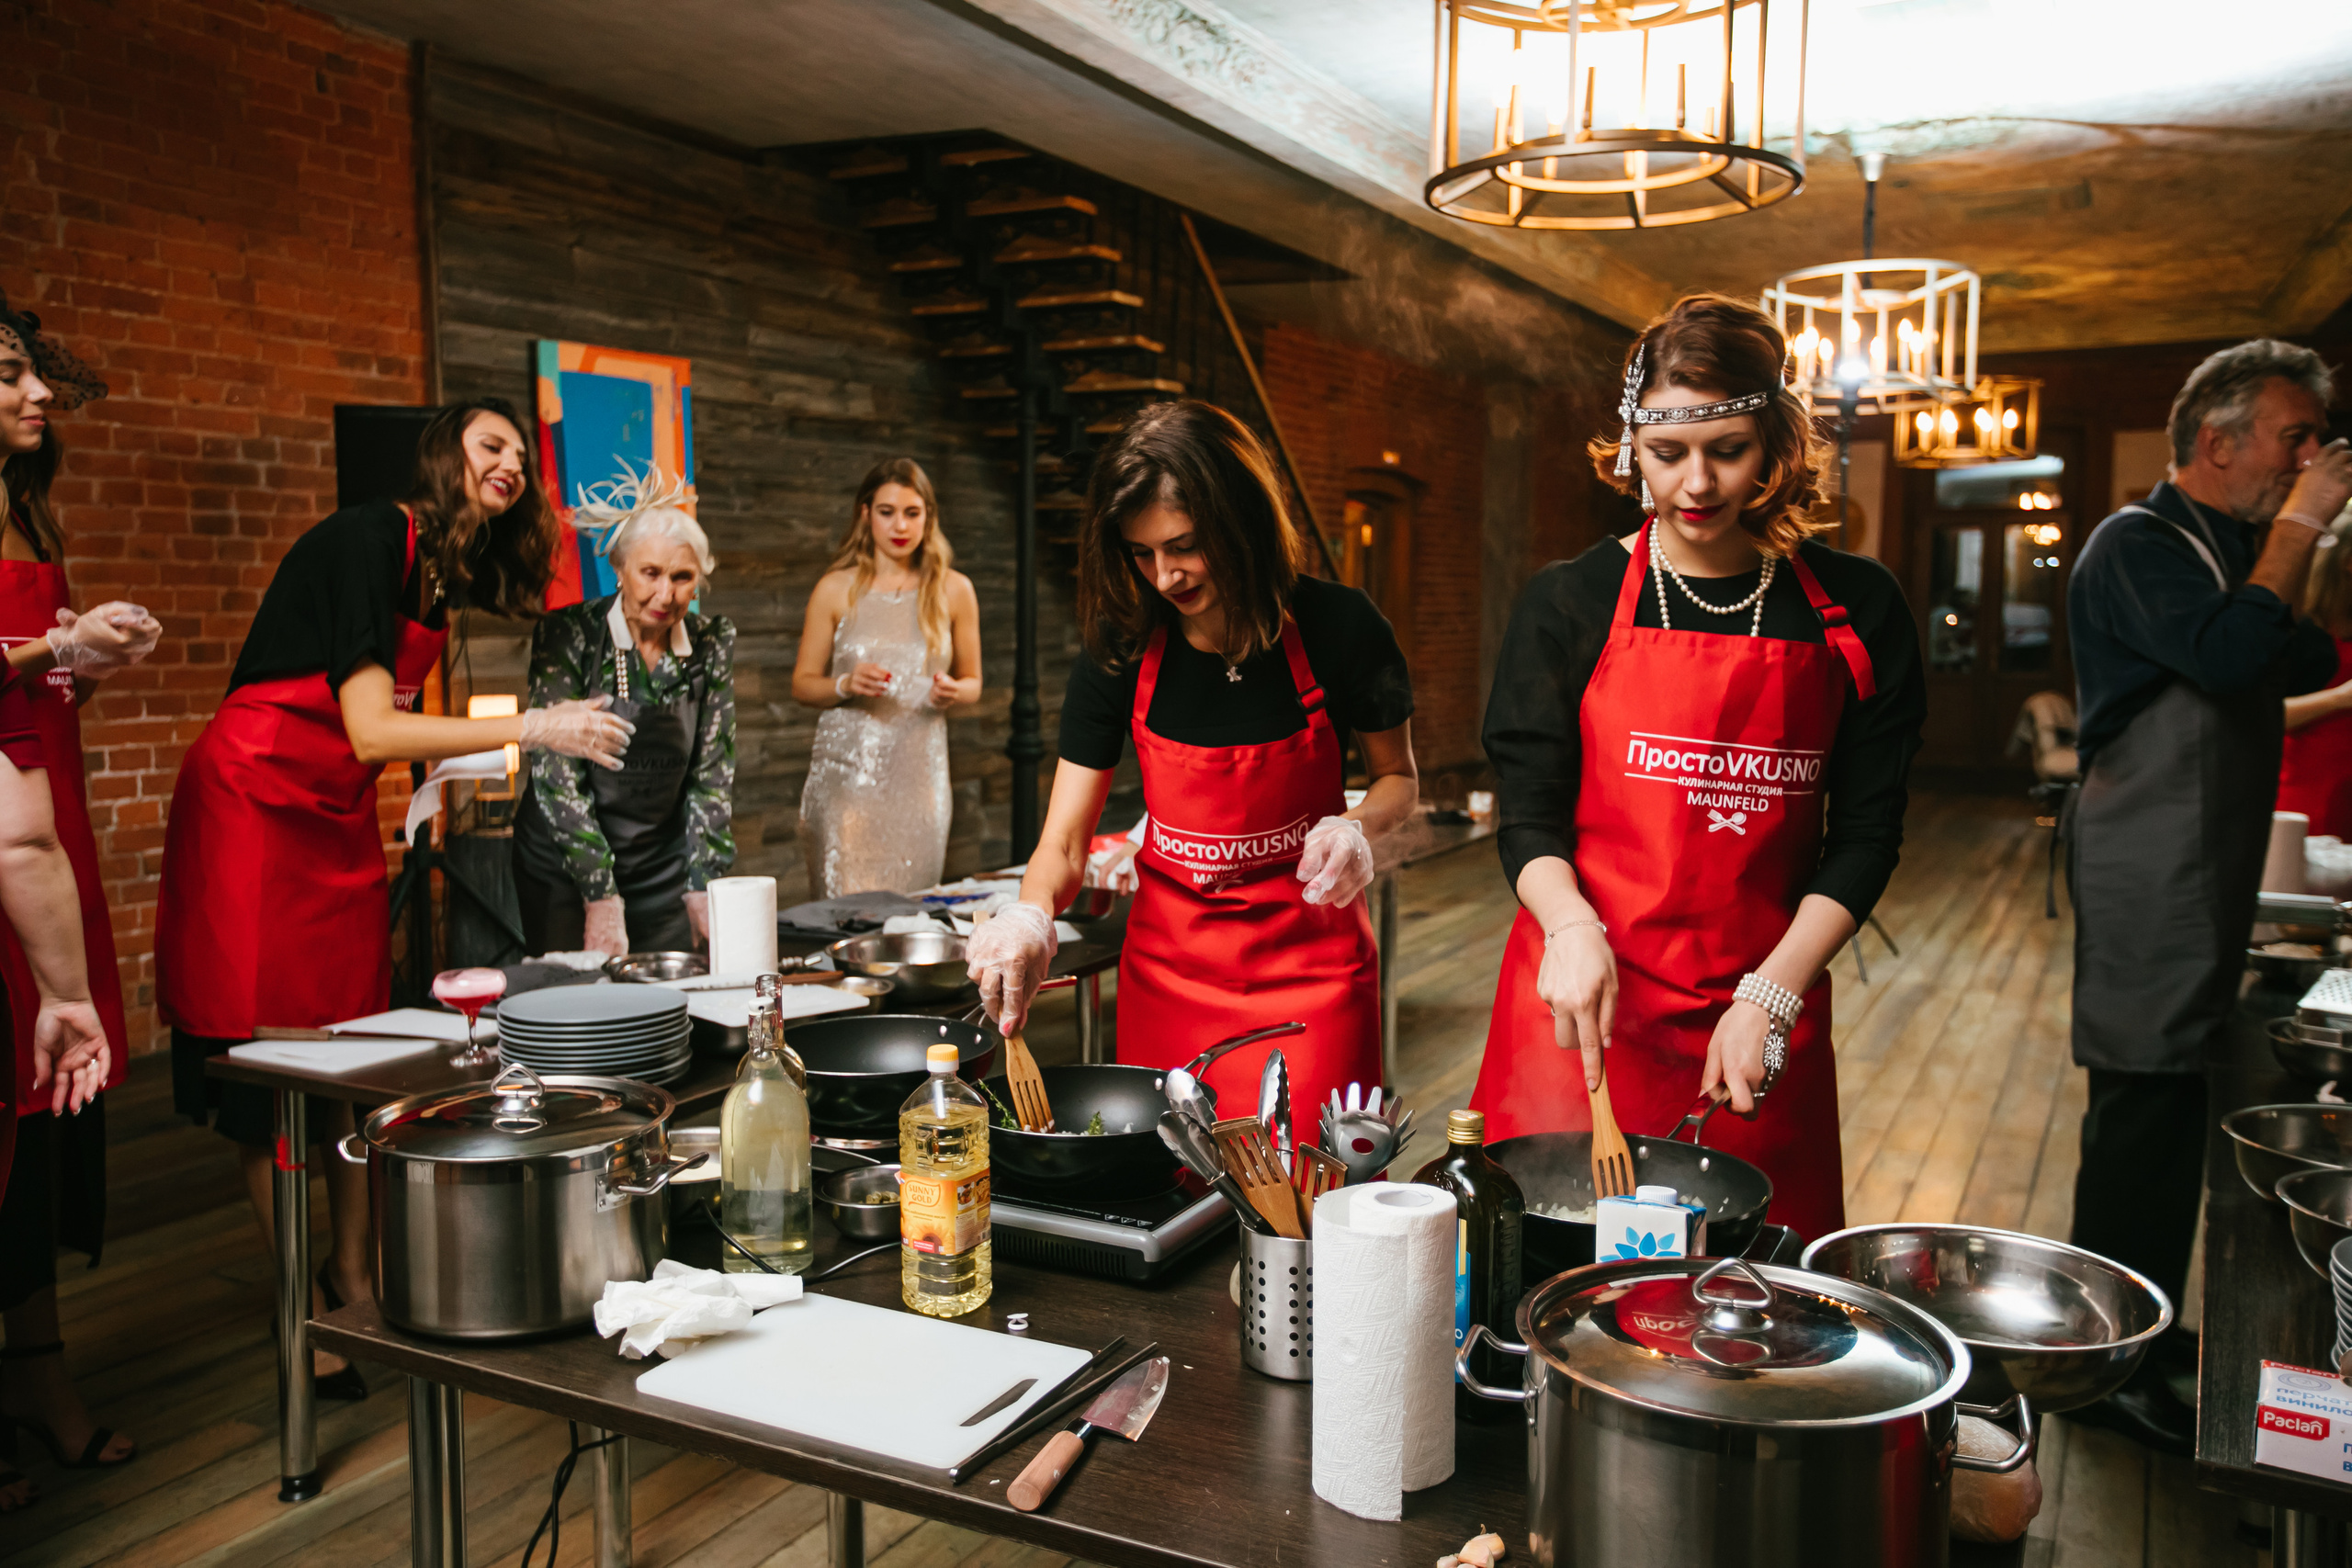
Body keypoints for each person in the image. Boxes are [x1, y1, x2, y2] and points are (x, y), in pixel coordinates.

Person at [156, 398, 633, 1401]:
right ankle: (309, 1304)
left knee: (349, 1062)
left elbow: (378, 741)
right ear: (441, 454)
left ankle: (358, 1280)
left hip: (329, 818)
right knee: (274, 1074)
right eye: (489, 444)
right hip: (252, 805)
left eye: (518, 453)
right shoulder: (372, 535)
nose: (509, 463)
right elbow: (373, 728)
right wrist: (531, 728)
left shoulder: (434, 572)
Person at [1470, 294, 1925, 1245]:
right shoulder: (1569, 601)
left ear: (1776, 446)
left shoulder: (1857, 608)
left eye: (1727, 448)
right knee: (1547, 1282)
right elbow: (1530, 815)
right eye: (1668, 452)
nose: (1696, 482)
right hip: (1583, 1007)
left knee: (1748, 1298)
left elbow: (1868, 835)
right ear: (1632, 446)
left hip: (1762, 1003)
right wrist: (1564, 923)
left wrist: (1771, 991)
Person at [966, 400, 1418, 1124]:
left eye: (1183, 545)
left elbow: (1400, 780)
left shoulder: (1340, 627)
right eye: (1142, 554)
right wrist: (1028, 913)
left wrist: (1358, 826)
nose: (1165, 576)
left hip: (1315, 982)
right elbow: (1065, 841)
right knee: (1168, 1201)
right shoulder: (1122, 650)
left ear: (1241, 521)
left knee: (1311, 1195)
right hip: (1170, 986)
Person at [2066, 340, 2352, 1456]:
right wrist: (2302, 527)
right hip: (2148, 851)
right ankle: (2103, 1365)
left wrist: (2291, 545)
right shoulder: (2137, 544)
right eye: (2294, 438)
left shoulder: (2227, 547)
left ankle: (2144, 1325)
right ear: (2218, 441)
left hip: (2204, 851)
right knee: (2139, 1100)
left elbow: (2299, 654)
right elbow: (2233, 657)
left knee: (2175, 1089)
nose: (2309, 458)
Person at [0, 293, 162, 1509]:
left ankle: (40, 1366)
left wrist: (79, 657)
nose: (36, 394)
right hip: (1, 822)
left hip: (44, 809)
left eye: (32, 376)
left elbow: (41, 692)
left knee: (53, 1101)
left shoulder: (25, 506)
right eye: (9, 376)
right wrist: (45, 653)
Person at [513, 465, 736, 955]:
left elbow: (712, 773)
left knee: (672, 1003)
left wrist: (703, 881)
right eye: (650, 573)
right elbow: (556, 774)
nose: (666, 595)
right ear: (620, 569)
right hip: (567, 862)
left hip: (661, 867)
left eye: (682, 578)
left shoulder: (710, 643)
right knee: (575, 1007)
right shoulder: (568, 633)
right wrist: (600, 895)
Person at [792, 458, 980, 897]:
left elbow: (974, 682)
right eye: (887, 511)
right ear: (865, 514)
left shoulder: (954, 589)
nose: (900, 525)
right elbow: (802, 684)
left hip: (919, 781)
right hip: (847, 784)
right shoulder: (835, 588)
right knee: (841, 917)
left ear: (928, 518)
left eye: (912, 513)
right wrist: (844, 684)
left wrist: (952, 690)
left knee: (911, 913)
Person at [2278, 513, 2352, 837]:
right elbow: (2264, 714)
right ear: (2349, 562)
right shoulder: (2303, 634)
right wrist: (2340, 698)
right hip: (2310, 797)